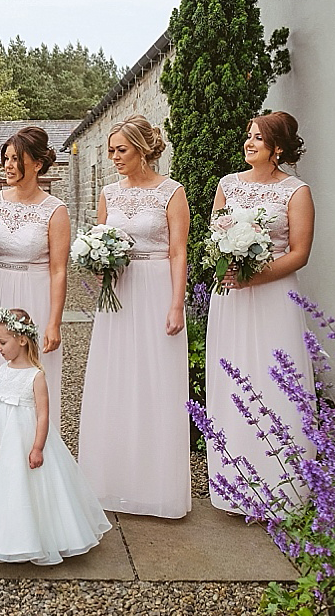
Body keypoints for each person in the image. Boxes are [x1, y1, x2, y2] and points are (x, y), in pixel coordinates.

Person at [76, 115, 192, 519]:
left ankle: (156, 487)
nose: (113, 158)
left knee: (156, 380)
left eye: (120, 150)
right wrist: (96, 261)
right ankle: (111, 481)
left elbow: (179, 252)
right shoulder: (109, 193)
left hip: (157, 286)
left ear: (143, 149)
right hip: (119, 293)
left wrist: (176, 304)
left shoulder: (172, 193)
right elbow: (99, 238)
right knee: (117, 379)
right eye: (110, 151)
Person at [0, 308, 111, 564]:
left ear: (22, 340)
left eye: (2, 342)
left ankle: (28, 538)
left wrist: (37, 447)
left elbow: (43, 416)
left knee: (24, 487)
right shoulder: (3, 370)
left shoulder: (35, 376)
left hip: (23, 440)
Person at [204, 112, 314, 515]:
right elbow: (216, 236)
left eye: (258, 139)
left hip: (272, 297)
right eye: (247, 136)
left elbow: (299, 253)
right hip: (231, 296)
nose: (249, 143)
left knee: (274, 377)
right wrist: (227, 263)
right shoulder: (227, 185)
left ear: (278, 148)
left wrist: (255, 276)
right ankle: (234, 484)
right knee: (233, 376)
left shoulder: (296, 192)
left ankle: (283, 488)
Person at [0, 126, 69, 448]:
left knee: (33, 377)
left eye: (16, 159)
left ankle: (35, 455)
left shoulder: (55, 210)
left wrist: (53, 322)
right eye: (5, 158)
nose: (8, 165)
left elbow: (60, 270)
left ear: (37, 164)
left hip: (35, 295)